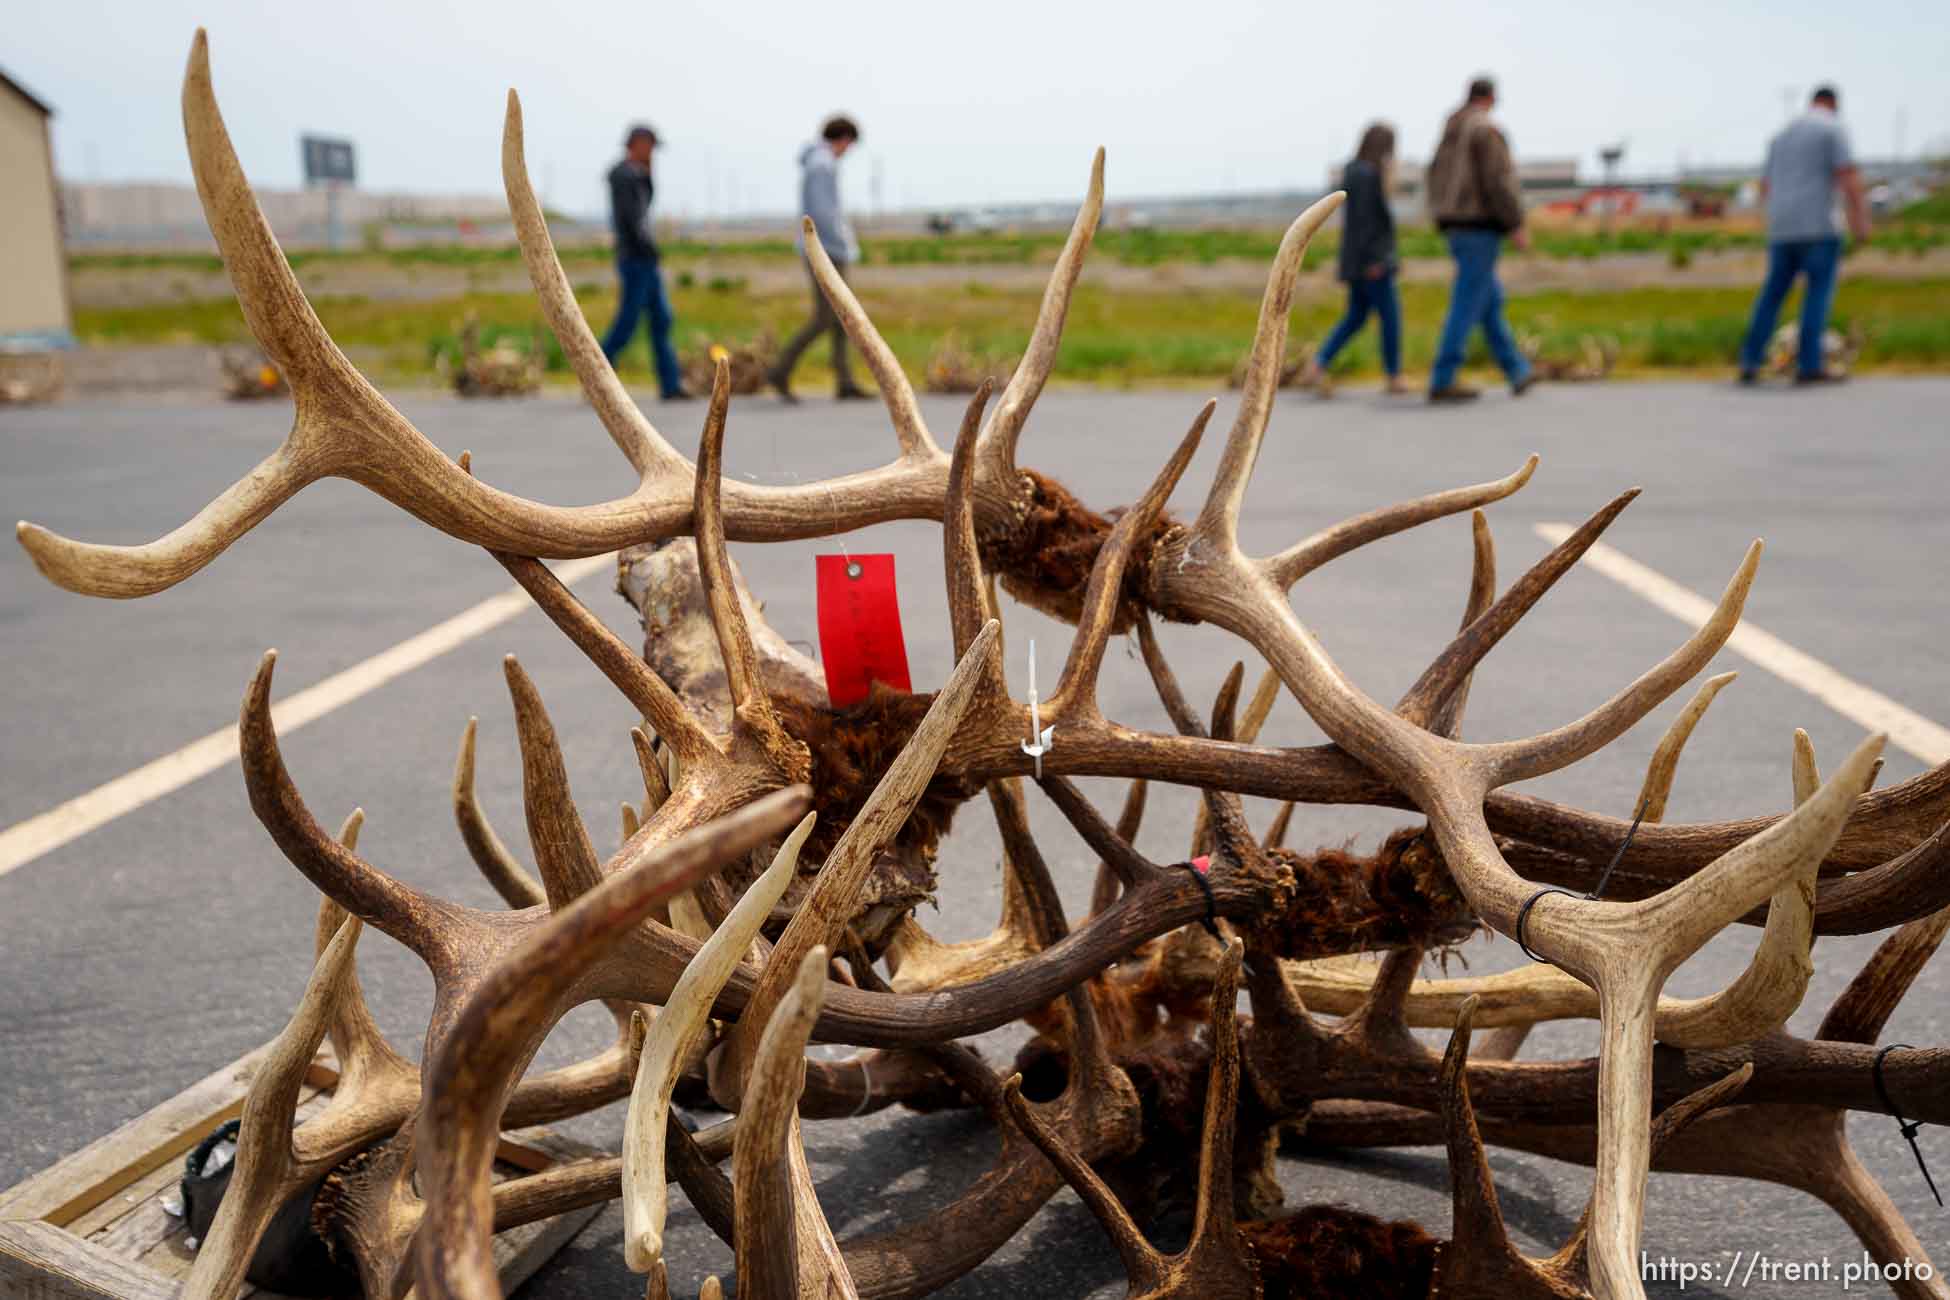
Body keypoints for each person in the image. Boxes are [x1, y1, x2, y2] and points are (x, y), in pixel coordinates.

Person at [1737, 86, 1871, 385]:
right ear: (1834, 105)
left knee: (1772, 295)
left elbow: (1765, 185)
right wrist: (1860, 223)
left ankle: (1750, 359)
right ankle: (1809, 365)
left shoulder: (1781, 134)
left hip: (1782, 227)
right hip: (1818, 226)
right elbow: (1848, 177)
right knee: (1817, 294)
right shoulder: (1834, 129)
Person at [1425, 76, 1534, 404]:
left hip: (1455, 226)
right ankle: (1443, 377)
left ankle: (1517, 370)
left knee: (1489, 300)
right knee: (1468, 300)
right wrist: (1515, 222)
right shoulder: (1483, 129)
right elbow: (1498, 180)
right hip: (1479, 226)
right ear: (1491, 98)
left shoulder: (1451, 129)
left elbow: (1433, 175)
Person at [1299, 123, 1408, 396]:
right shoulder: (1367, 175)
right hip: (1372, 262)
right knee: (1390, 318)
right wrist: (1377, 260)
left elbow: (1356, 223)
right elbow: (1367, 223)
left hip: (1356, 260)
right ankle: (1394, 375)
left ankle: (1317, 365)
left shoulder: (1353, 172)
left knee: (1356, 317)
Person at [767, 115, 868, 402]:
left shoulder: (818, 163)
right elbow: (824, 214)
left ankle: (844, 379)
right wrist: (844, 244)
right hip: (827, 250)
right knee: (826, 317)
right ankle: (781, 369)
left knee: (842, 317)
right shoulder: (822, 165)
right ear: (844, 139)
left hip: (825, 248)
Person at [600, 124, 689, 401]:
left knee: (661, 318)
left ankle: (670, 383)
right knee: (628, 321)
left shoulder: (636, 174)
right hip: (636, 258)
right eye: (649, 146)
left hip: (643, 258)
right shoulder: (625, 176)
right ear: (637, 144)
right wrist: (648, 248)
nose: (652, 154)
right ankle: (598, 373)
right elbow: (632, 220)